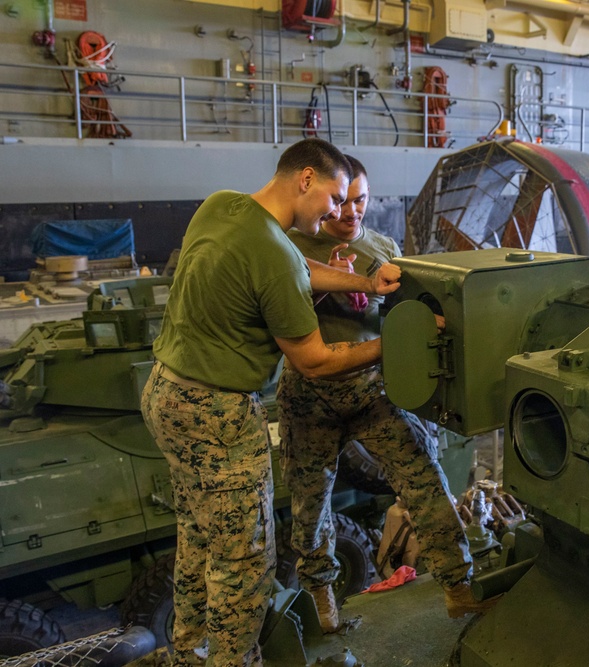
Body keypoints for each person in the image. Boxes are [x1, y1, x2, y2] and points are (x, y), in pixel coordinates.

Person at [141, 139, 401, 667]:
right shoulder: (276, 257)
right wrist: (393, 345)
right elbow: (315, 361)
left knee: (198, 537)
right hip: (218, 415)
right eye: (332, 196)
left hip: (165, 394)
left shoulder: (223, 206)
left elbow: (295, 266)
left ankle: (190, 652)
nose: (336, 210)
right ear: (305, 179)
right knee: (245, 563)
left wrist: (366, 283)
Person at [277, 155, 491, 632]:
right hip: (310, 397)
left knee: (426, 480)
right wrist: (325, 280)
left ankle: (458, 586)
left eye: (362, 201)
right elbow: (279, 318)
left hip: (372, 392)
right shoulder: (292, 246)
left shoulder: (383, 249)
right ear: (325, 199)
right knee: (310, 509)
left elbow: (406, 312)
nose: (352, 212)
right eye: (343, 203)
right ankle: (322, 597)